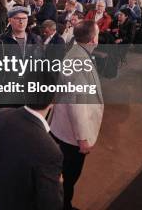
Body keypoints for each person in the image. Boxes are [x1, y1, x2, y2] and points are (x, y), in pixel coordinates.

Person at [50, 20, 104, 210]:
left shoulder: (78, 53)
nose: (99, 37)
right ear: (91, 39)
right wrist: (82, 138)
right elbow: (76, 104)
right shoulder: (77, 61)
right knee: (68, 177)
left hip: (65, 129)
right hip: (71, 136)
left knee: (66, 177)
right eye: (97, 34)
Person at [0, 91, 63, 209]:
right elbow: (51, 205)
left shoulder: (0, 115)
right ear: (52, 102)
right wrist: (59, 184)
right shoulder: (51, 151)